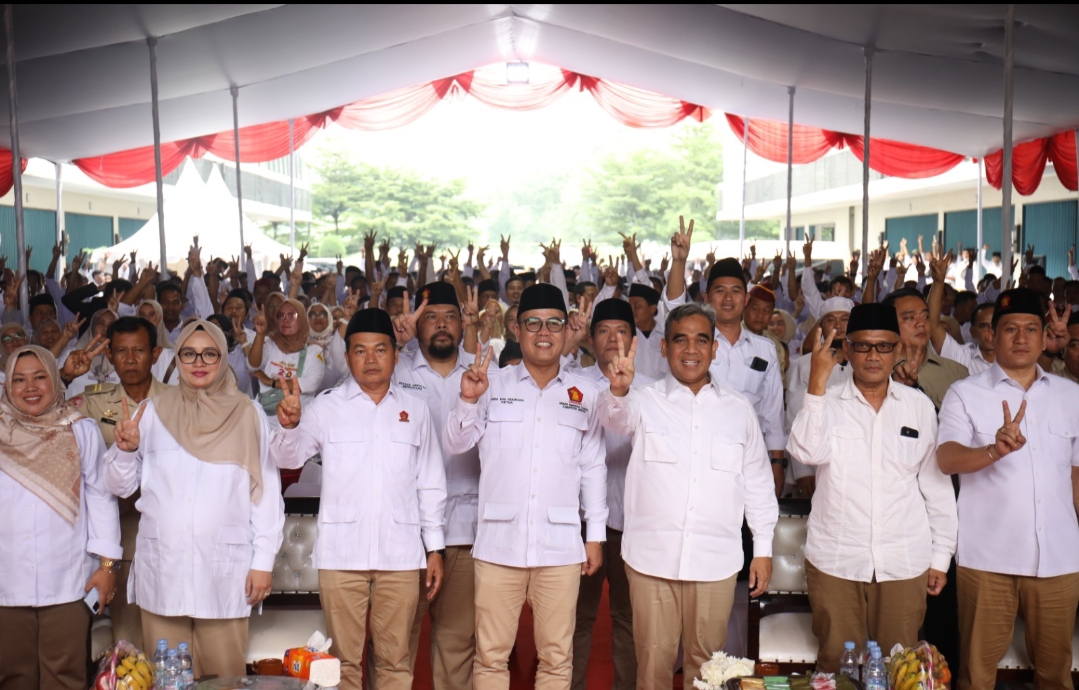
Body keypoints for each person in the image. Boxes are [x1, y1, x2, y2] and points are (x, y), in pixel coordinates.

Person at [598, 302, 777, 690]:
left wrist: (763, 549)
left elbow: (759, 483)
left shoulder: (738, 409)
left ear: (715, 348)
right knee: (653, 666)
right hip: (651, 561)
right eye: (681, 340)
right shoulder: (643, 399)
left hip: (715, 562)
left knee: (708, 670)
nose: (691, 349)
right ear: (664, 347)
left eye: (701, 340)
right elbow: (613, 418)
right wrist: (618, 389)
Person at [443, 283, 606, 690]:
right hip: (499, 543)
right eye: (533, 323)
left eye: (553, 323)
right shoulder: (490, 383)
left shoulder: (586, 394)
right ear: (516, 330)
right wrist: (467, 400)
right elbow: (456, 444)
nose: (544, 332)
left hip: (560, 545)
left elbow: (593, 467)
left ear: (567, 331)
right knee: (490, 657)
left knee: (557, 659)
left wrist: (595, 535)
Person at [273, 308, 447, 690]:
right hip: (342, 556)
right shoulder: (326, 407)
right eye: (360, 350)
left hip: (400, 555)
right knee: (342, 664)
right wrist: (289, 427)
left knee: (395, 661)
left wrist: (435, 548)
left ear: (395, 355)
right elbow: (288, 458)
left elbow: (431, 483)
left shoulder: (416, 410)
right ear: (347, 356)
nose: (370, 359)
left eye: (380, 349)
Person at [104, 320, 284, 678]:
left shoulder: (247, 414)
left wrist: (263, 561)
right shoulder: (152, 413)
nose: (198, 362)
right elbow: (118, 486)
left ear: (223, 358)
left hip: (224, 573)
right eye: (189, 353)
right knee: (165, 679)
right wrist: (124, 450)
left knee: (224, 679)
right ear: (177, 359)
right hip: (164, 569)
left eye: (209, 354)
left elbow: (266, 494)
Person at [787, 303, 958, 671]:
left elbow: (936, 487)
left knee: (901, 668)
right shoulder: (826, 401)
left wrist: (941, 556)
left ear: (898, 350)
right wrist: (816, 382)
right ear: (847, 350)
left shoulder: (918, 407)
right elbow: (805, 451)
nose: (873, 356)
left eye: (883, 346)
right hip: (836, 560)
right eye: (863, 346)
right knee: (838, 667)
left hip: (903, 561)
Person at [937, 288, 1079, 690]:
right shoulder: (965, 393)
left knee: (1056, 676)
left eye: (1031, 329)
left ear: (1044, 337)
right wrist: (993, 451)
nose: (1021, 338)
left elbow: (1075, 478)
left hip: (1058, 560)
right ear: (992, 336)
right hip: (987, 560)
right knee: (976, 677)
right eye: (1010, 329)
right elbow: (946, 459)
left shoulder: (1071, 396)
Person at [0, 345, 122, 690]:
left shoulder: (80, 429)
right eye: (19, 380)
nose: (30, 387)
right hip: (6, 580)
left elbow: (101, 497)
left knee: (65, 677)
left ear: (55, 380)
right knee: (13, 677)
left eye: (40, 377)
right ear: (7, 385)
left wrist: (107, 566)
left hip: (67, 581)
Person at [390, 283, 481, 690]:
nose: (441, 325)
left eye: (449, 317)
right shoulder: (395, 369)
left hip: (464, 528)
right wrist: (394, 344)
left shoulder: (483, 372)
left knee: (456, 643)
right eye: (431, 317)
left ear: (462, 324)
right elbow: (348, 387)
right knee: (394, 645)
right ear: (416, 324)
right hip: (405, 530)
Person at [663, 218, 786, 496]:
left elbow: (773, 412)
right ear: (706, 296)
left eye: (736, 291)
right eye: (720, 291)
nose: (728, 298)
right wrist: (679, 262)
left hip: (747, 459)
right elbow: (673, 309)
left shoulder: (764, 349)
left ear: (746, 299)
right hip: (695, 452)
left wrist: (777, 463)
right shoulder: (693, 343)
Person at [569, 298, 652, 690]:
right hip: (580, 523)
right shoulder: (574, 384)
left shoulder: (650, 391)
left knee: (627, 617)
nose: (613, 338)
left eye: (621, 331)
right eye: (603, 331)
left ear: (634, 339)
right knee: (575, 617)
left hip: (630, 522)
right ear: (591, 339)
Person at [82, 316, 172, 650]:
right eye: (121, 351)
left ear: (156, 354)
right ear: (109, 356)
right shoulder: (93, 401)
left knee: (174, 637)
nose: (130, 359)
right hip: (123, 534)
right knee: (130, 640)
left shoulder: (179, 399)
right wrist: (65, 376)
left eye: (139, 350)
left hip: (173, 531)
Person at [882, 288, 968, 410]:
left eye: (926, 316)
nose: (921, 323)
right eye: (910, 317)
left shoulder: (957, 372)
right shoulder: (877, 372)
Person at [249, 298, 326, 422]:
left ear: (302, 319)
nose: (285, 320)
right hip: (264, 419)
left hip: (299, 421)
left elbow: (311, 383)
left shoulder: (314, 351)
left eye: (292, 315)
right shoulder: (270, 343)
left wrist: (271, 382)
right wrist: (260, 334)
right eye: (281, 316)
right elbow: (252, 366)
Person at [929, 253, 995, 375]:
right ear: (972, 332)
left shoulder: (1020, 359)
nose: (991, 332)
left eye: (995, 325)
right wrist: (938, 282)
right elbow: (933, 326)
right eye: (984, 326)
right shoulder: (964, 357)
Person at [625, 283, 667, 381]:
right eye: (629, 306)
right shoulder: (625, 337)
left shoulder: (666, 337)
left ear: (652, 309)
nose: (632, 310)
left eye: (637, 306)